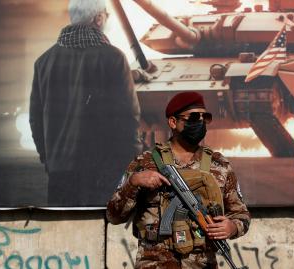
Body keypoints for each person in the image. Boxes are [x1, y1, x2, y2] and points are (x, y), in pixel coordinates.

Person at [106, 91, 250, 269]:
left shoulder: (219, 165)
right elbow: (114, 216)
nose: (200, 122)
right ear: (173, 122)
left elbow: (241, 215)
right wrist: (133, 183)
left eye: (205, 117)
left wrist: (232, 227)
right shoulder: (145, 162)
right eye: (193, 117)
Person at [29, 0, 141, 206]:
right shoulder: (114, 58)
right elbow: (128, 117)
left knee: (64, 230)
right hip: (103, 172)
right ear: (98, 18)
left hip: (59, 171)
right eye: (106, 15)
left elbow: (35, 120)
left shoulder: (44, 61)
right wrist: (133, 162)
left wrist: (49, 159)